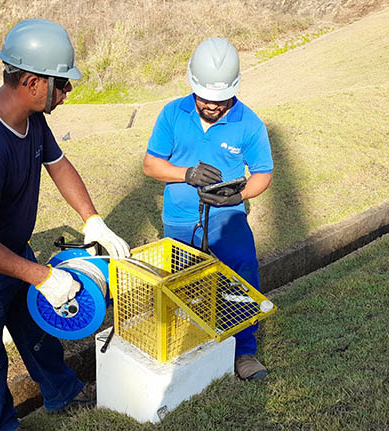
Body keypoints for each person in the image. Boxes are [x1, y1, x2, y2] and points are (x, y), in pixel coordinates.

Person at [0, 19, 130, 431]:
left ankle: (62, 391)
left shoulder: (29, 115)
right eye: (62, 84)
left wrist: (93, 220)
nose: (68, 93)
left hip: (8, 247)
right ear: (32, 82)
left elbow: (57, 163)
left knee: (36, 327)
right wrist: (43, 276)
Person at [143, 37, 273, 381]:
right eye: (205, 98)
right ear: (191, 85)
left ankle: (244, 351)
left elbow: (263, 172)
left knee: (240, 274)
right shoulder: (173, 114)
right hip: (180, 220)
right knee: (183, 284)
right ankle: (191, 346)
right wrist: (185, 174)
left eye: (220, 100)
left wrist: (239, 196)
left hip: (226, 218)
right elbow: (150, 165)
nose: (212, 106)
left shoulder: (249, 123)